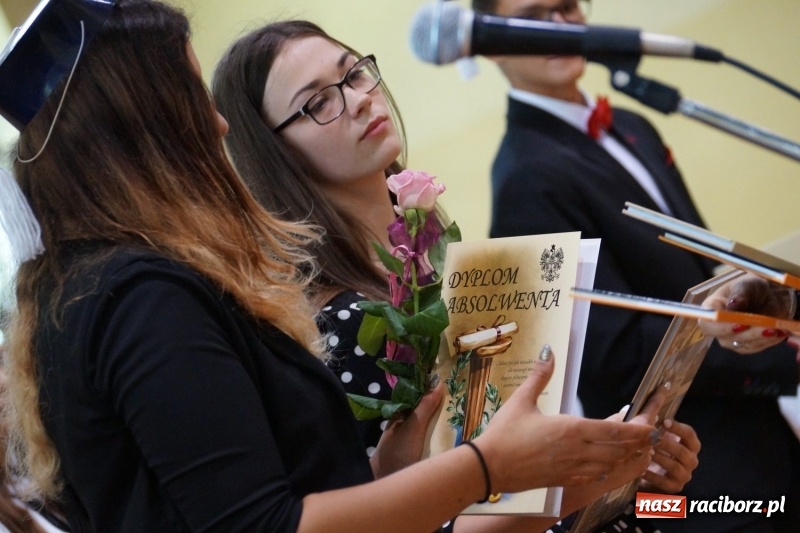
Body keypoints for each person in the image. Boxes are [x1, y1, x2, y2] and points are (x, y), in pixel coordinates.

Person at [1, 1, 663, 531]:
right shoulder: (140, 296)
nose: (219, 128)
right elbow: (263, 522)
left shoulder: (101, 288)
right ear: (141, 126)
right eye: (192, 99)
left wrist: (383, 468)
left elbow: (269, 487)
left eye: (354, 73)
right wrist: (486, 466)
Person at [211, 19, 700, 532]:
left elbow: (525, 475)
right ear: (273, 151)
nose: (357, 99)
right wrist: (594, 471)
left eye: (353, 74)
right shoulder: (343, 323)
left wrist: (635, 468)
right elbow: (442, 520)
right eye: (317, 103)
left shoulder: (445, 263)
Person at [473, 0, 800, 530]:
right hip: (689, 477)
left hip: (763, 439)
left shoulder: (631, 123)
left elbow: (709, 269)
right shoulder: (523, 179)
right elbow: (616, 352)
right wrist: (782, 357)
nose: (558, 27)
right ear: (489, 45)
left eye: (565, 8)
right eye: (534, 16)